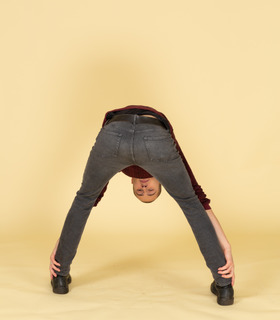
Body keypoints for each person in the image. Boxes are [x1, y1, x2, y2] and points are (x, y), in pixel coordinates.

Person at [49, 105, 235, 305]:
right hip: (153, 133)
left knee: (84, 198)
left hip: (114, 133)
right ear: (159, 181)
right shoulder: (165, 164)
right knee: (190, 203)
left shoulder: (127, 168)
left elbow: (87, 201)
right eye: (147, 191)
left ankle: (59, 276)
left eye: (142, 191)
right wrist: (226, 246)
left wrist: (59, 249)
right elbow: (198, 199)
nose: (144, 187)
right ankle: (224, 285)